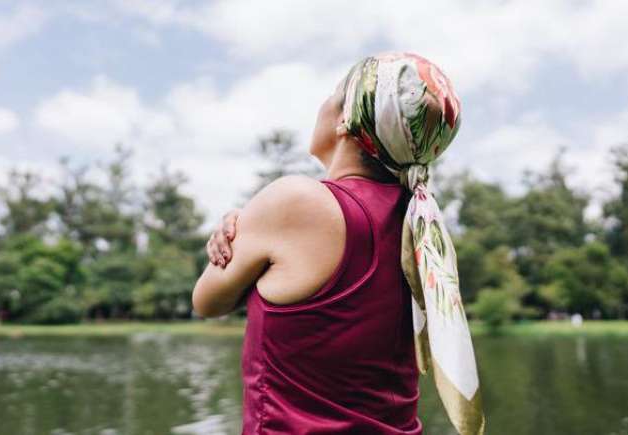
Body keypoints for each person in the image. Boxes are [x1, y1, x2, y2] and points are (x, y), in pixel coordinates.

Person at [193, 51, 485, 435]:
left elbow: (207, 301)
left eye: (333, 93)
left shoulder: (296, 202)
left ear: (347, 119)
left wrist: (243, 227)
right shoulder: (418, 223)